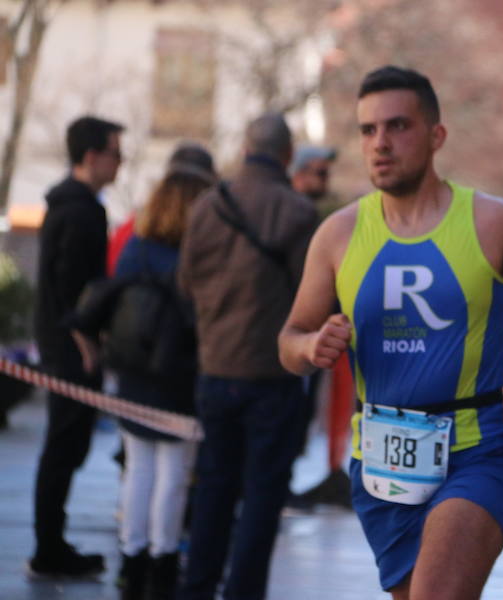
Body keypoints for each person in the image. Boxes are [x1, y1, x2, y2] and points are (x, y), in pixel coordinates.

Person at [278, 66, 503, 600]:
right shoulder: (337, 235)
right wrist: (309, 347)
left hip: (476, 449)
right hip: (383, 460)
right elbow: (288, 340)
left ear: (436, 136)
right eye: (367, 130)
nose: (380, 142)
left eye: (398, 126)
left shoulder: (493, 222)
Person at [176, 113, 318, 600]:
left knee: (213, 486)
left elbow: (186, 284)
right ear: (286, 155)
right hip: (273, 376)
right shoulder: (297, 212)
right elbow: (313, 297)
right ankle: (242, 592)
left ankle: (196, 588)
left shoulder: (207, 207)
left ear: (243, 148)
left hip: (215, 370)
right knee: (263, 493)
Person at [71, 143, 215, 599]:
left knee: (138, 469)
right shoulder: (190, 260)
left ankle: (131, 565)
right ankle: (163, 564)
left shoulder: (137, 246)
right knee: (174, 476)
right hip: (179, 373)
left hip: (134, 371)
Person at [29, 115, 124, 579]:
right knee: (64, 445)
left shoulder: (68, 204)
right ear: (92, 156)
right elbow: (73, 287)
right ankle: (49, 550)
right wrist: (85, 339)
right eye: (115, 152)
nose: (120, 162)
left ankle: (51, 544)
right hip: (68, 346)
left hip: (60, 339)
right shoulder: (83, 210)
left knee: (65, 446)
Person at [284, 143, 354, 512]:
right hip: (290, 337)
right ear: (298, 173)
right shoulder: (294, 216)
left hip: (311, 338)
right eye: (319, 172)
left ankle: (285, 480)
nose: (325, 180)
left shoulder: (310, 215)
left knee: (302, 415)